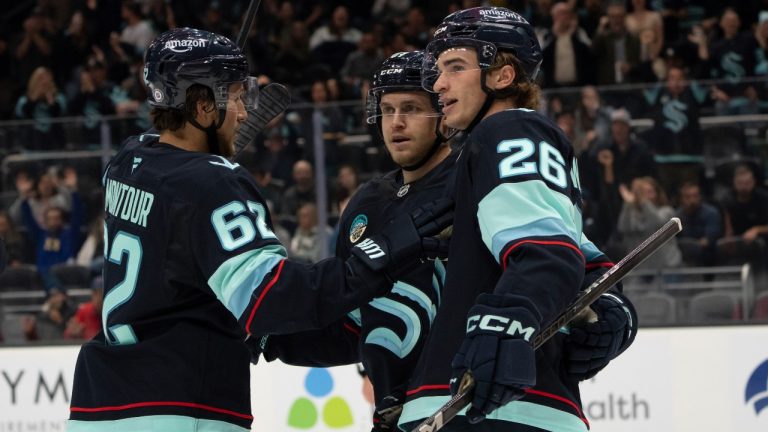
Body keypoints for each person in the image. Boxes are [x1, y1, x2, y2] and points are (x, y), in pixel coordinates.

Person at [67, 28, 451, 432]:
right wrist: (383, 254)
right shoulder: (214, 183)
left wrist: (210, 144)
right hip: (178, 405)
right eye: (235, 98)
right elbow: (272, 299)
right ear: (202, 105)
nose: (245, 112)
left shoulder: (127, 161)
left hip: (98, 403)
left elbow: (175, 214)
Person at [400, 7, 637, 431]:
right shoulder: (483, 152)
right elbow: (572, 251)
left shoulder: (508, 130)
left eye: (455, 67)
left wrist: (507, 322)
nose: (438, 84)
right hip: (505, 403)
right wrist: (611, 305)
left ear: (503, 76)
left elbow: (546, 250)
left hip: (494, 406)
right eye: (437, 71)